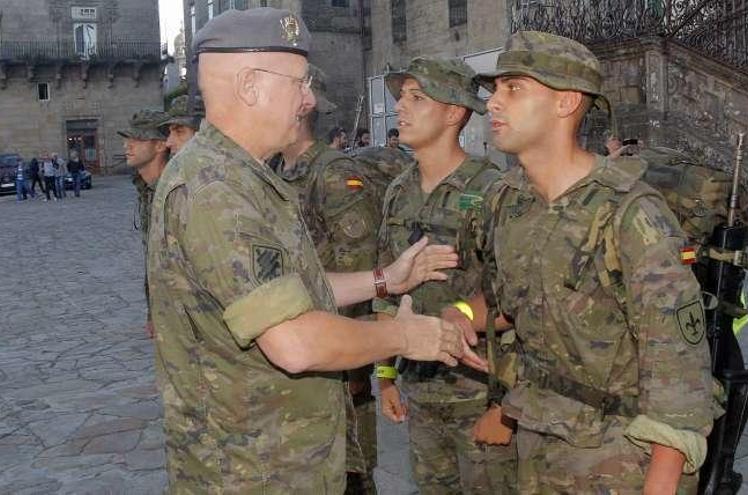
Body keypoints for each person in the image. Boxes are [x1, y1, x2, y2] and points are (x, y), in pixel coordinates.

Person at [146, 8, 483, 492]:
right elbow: (296, 342)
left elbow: (283, 290)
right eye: (299, 83)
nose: (308, 101)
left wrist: (384, 280)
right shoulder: (217, 190)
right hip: (253, 470)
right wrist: (404, 338)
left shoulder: (239, 176)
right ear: (249, 87)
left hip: (275, 460)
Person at [455, 30, 717, 493]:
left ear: (566, 103)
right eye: (494, 90)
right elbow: (508, 308)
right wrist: (455, 317)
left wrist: (661, 484)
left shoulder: (630, 213)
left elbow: (679, 365)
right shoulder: (507, 201)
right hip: (537, 442)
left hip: (617, 459)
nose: (493, 104)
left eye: (513, 88)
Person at [375, 57, 517, 494]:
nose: (401, 107)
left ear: (454, 111)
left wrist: (506, 406)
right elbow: (385, 292)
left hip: (480, 396)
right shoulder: (398, 190)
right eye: (401, 96)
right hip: (421, 392)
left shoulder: (493, 190)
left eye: (417, 97)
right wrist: (385, 375)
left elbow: (518, 301)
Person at [270, 64, 382, 495]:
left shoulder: (333, 173)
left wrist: (355, 362)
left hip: (335, 351)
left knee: (348, 472)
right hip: (298, 342)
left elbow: (360, 267)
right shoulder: (279, 171)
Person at [119, 109, 171, 339]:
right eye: (127, 139)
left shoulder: (175, 189)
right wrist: (154, 311)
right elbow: (154, 259)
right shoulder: (146, 188)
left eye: (137, 139)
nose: (127, 146)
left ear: (160, 145)